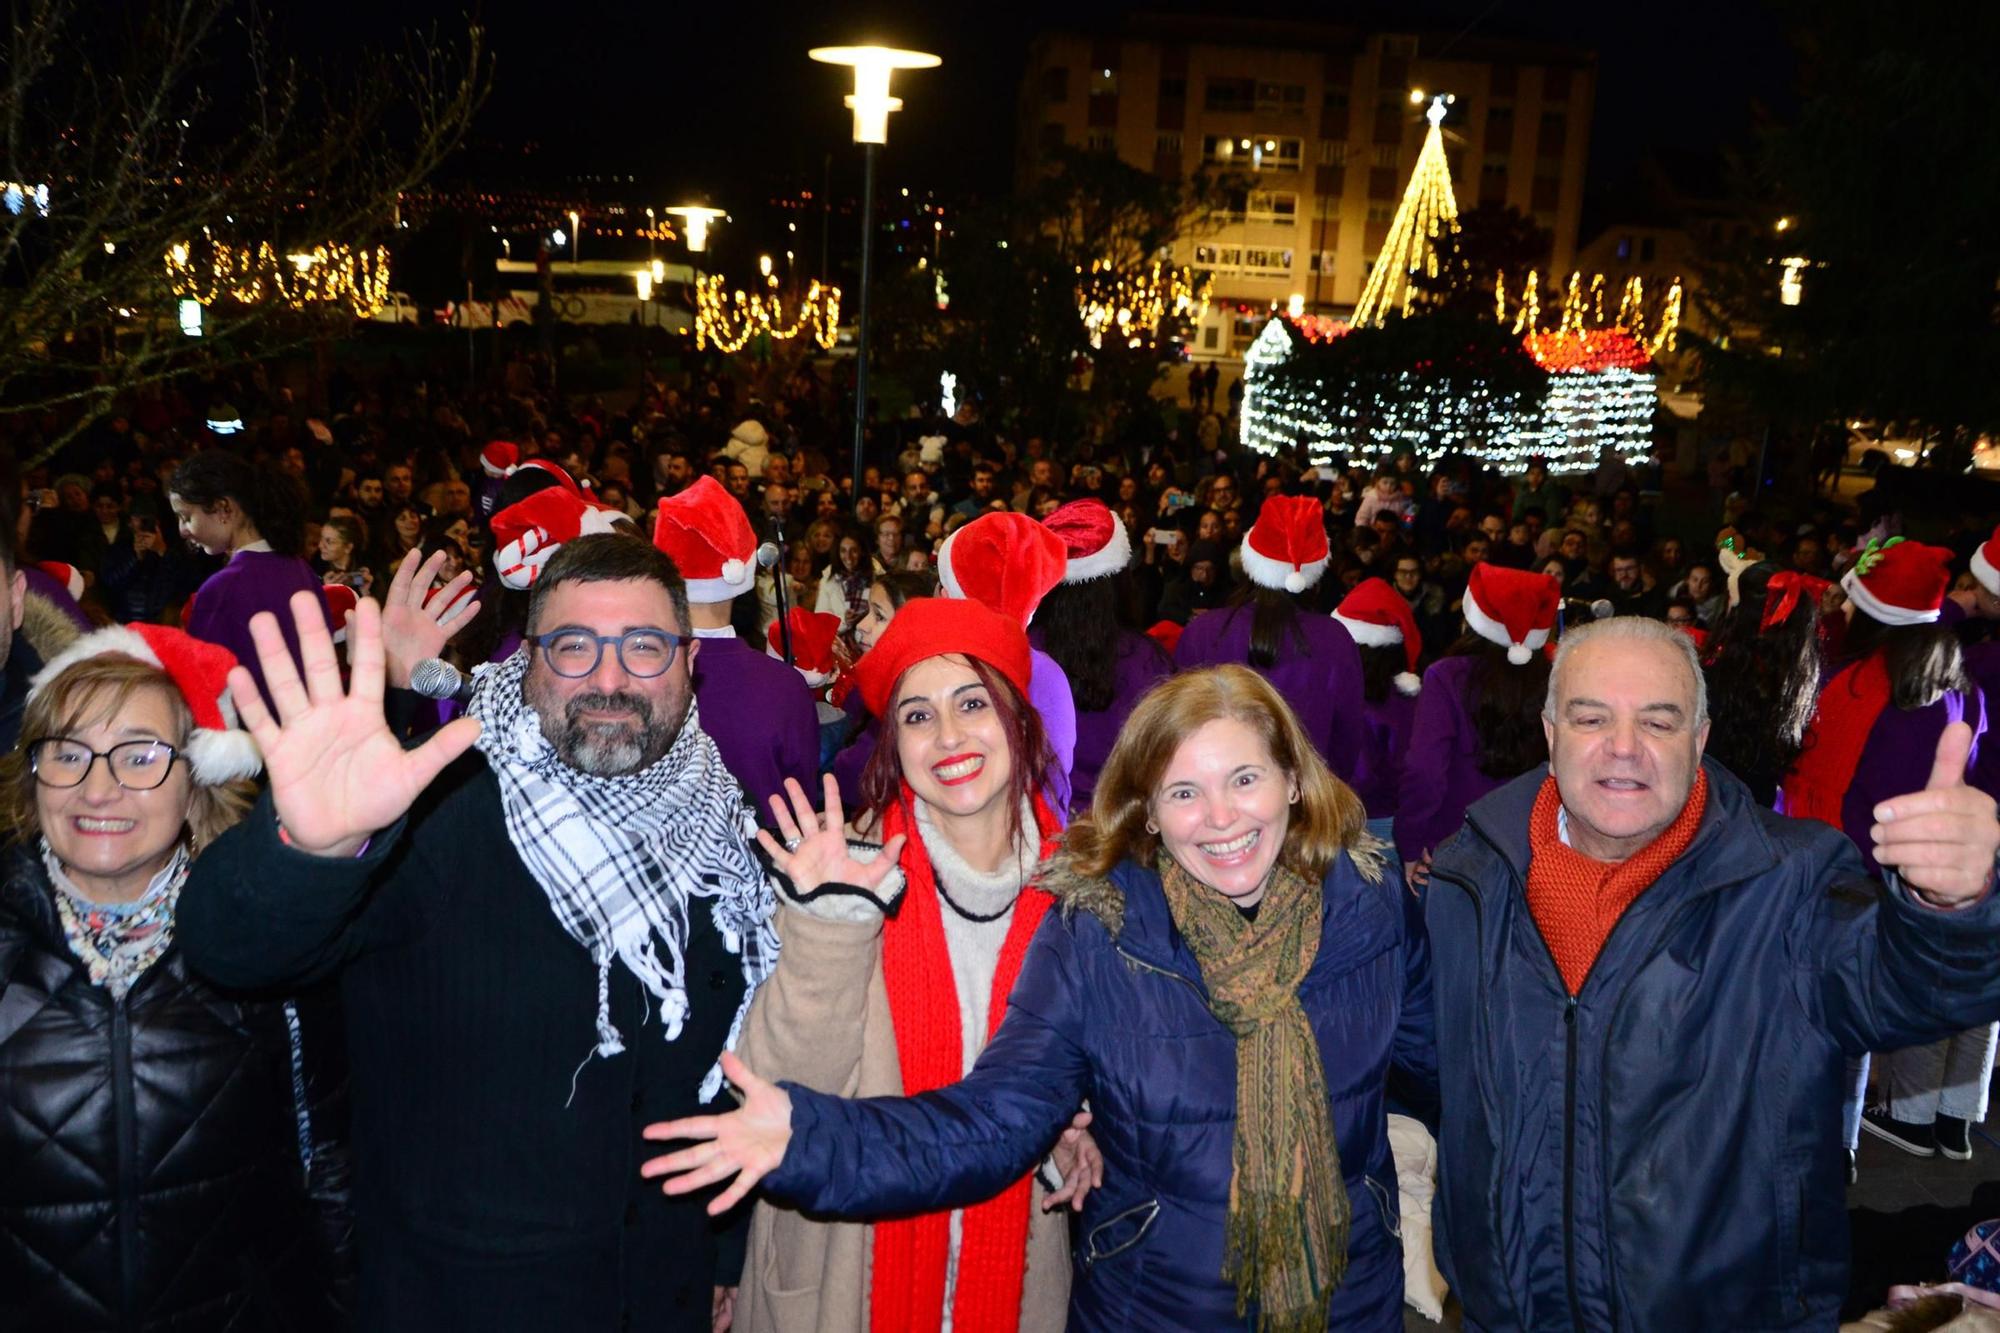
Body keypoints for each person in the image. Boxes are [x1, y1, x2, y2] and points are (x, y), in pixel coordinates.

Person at [643, 663, 1434, 1333]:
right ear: (1149, 814)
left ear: (1294, 779)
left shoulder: (1370, 907)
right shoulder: (1100, 929)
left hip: (1349, 1295)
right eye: (1184, 791)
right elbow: (994, 1121)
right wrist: (805, 1134)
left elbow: (1455, 1072)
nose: (1222, 818)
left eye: (1245, 779)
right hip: (1154, 1306)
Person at [176, 536, 778, 1332]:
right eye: (572, 646)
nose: (608, 679)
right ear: (529, 660)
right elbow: (230, 949)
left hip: (661, 1291)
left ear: (689, 660)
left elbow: (734, 1067)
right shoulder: (432, 802)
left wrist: (721, 1253)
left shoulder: (725, 835)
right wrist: (310, 848)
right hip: (461, 1298)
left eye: (642, 647)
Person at [1426, 614, 2000, 1330]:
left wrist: (1951, 907)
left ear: (1699, 741)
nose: (1624, 748)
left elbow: (1909, 985)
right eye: (1591, 717)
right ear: (1550, 733)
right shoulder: (1471, 877)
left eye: (1659, 722)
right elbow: (1432, 1059)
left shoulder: (1791, 883)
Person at [723, 597, 1088, 1333]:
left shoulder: (1082, 893)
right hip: (842, 1280)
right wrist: (828, 922)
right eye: (918, 715)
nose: (948, 735)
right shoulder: (849, 869)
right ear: (894, 741)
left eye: (972, 701)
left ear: (1019, 717)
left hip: (1011, 1279)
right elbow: (772, 1092)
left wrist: (1077, 1128)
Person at [1, 625, 345, 1330]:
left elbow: (330, 1177)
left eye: (140, 755)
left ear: (197, 783)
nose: (98, 788)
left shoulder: (266, 947)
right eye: (68, 754)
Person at [1780, 541, 1994, 1166]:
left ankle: (1821, 1146)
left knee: (1824, 1024)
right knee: (1861, 1022)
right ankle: (1842, 1145)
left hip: (1841, 873)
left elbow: (1814, 788)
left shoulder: (1856, 684)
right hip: (1916, 874)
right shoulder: (1957, 681)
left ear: (1872, 609)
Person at [652, 476, 819, 819]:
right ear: (743, 568)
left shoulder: (632, 672)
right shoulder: (783, 686)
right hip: (766, 862)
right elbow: (801, 796)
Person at [1174, 494, 1366, 781]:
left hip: (1217, 796)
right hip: (1305, 799)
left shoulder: (1204, 630)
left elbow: (1176, 726)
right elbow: (1347, 740)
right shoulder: (1334, 638)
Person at [1395, 563, 1561, 884]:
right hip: (1533, 844)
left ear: (1473, 619)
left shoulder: (1446, 676)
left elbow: (1425, 771)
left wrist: (1410, 844)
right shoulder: (1553, 677)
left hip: (1452, 845)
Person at [933, 511, 1078, 816]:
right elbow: (1057, 778)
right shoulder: (1048, 673)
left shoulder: (940, 672)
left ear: (949, 598)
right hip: (1041, 839)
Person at [1035, 499, 1171, 813]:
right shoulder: (1148, 659)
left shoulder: (1025, 651)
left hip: (1046, 823)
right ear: (1121, 579)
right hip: (1124, 823)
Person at [1700, 562, 1825, 807]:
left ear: (1737, 615)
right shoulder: (1800, 680)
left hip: (1709, 811)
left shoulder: (1710, 680)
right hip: (1761, 814)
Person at [1334, 577, 1423, 840]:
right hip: (1398, 818)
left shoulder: (1352, 700)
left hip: (1358, 820)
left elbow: (1359, 776)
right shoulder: (1409, 697)